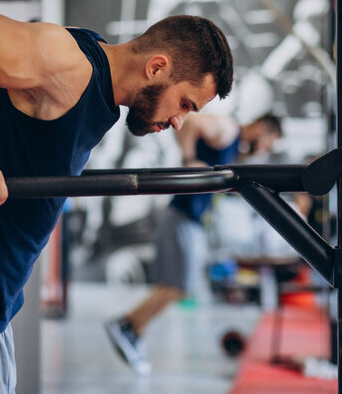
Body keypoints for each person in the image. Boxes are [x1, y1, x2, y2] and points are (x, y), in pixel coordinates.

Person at [0, 11, 233, 393]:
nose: (180, 122)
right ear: (156, 67)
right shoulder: (73, 65)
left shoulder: (93, 68)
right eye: (185, 103)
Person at [105, 112, 282, 373]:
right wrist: (188, 158)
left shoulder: (235, 144)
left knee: (176, 285)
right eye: (269, 141)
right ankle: (127, 325)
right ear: (261, 128)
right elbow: (193, 122)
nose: (266, 148)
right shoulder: (227, 128)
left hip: (189, 218)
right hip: (183, 216)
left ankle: (133, 330)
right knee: (181, 285)